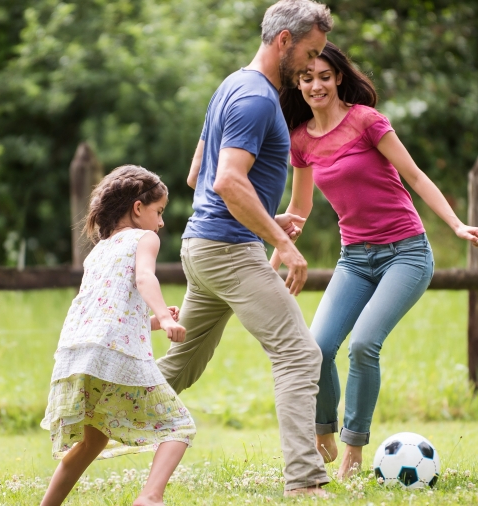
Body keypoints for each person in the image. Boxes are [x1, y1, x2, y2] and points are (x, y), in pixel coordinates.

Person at [273, 41, 478, 479]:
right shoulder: (301, 141)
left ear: (337, 78)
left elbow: (414, 175)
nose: (316, 85)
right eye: (306, 78)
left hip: (406, 253)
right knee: (317, 348)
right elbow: (300, 206)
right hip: (354, 258)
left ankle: (354, 448)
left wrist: (455, 225)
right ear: (297, 84)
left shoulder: (366, 121)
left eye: (324, 76)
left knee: (363, 344)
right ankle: (324, 430)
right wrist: (281, 232)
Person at [154, 0, 333, 496]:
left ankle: (94, 419)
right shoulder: (256, 99)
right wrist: (280, 242)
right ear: (284, 41)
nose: (313, 65)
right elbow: (229, 180)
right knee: (299, 355)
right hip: (229, 250)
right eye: (311, 51)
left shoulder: (233, 84)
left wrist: (264, 216)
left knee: (179, 366)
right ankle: (305, 481)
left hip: (204, 245)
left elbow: (199, 176)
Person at [40, 165, 196, 506]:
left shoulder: (100, 250)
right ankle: (150, 498)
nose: (161, 222)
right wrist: (162, 315)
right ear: (138, 208)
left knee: (92, 441)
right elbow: (144, 279)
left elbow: (110, 309)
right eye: (159, 212)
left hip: (77, 352)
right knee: (179, 428)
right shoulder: (145, 238)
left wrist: (154, 319)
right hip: (115, 354)